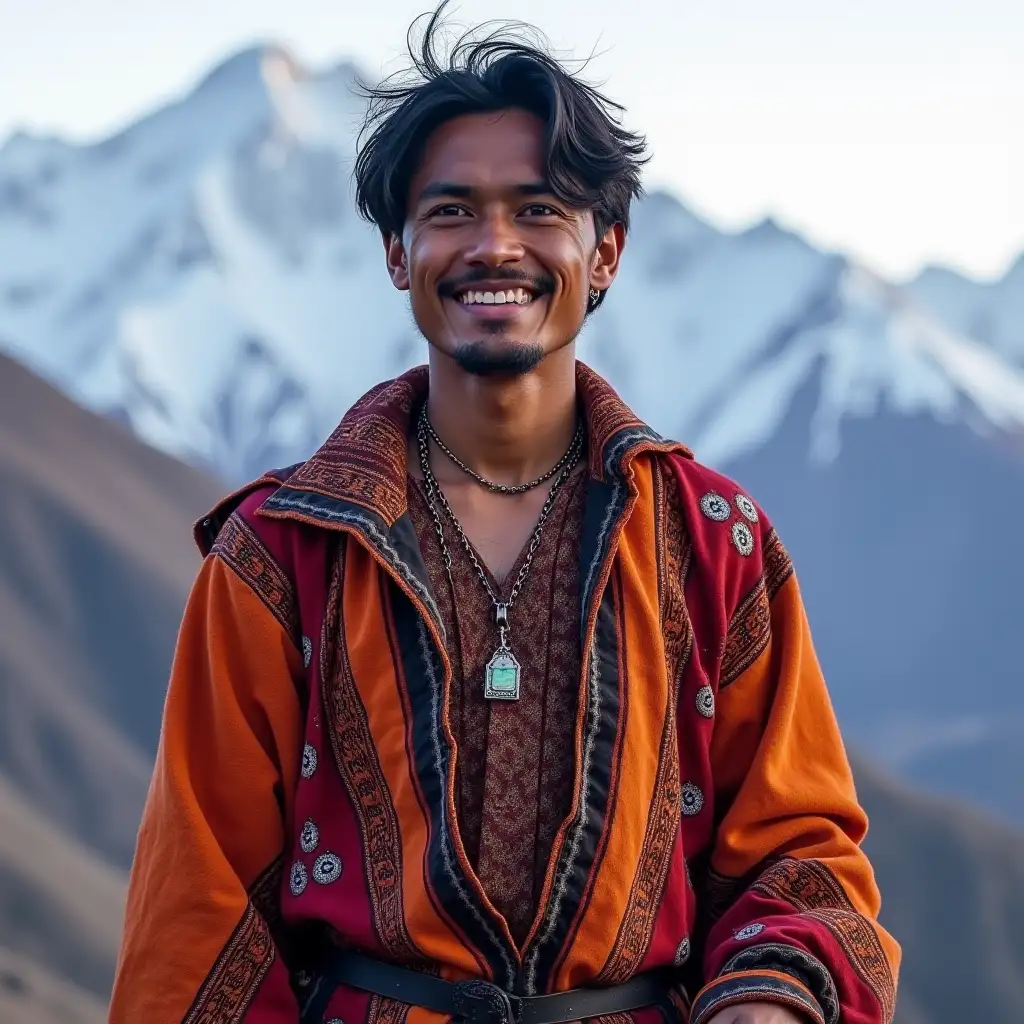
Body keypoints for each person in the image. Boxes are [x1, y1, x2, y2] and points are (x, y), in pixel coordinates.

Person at [110, 5, 900, 1023]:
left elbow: (800, 852)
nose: (493, 245)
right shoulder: (282, 554)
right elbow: (196, 899)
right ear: (398, 254)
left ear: (603, 251)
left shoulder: (713, 542)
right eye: (450, 212)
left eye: (536, 211)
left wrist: (769, 999)